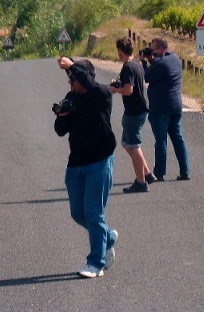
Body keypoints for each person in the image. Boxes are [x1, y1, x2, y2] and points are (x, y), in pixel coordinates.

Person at [54, 56, 118, 278]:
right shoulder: (71, 98)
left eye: (73, 78)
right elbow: (60, 130)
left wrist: (71, 66)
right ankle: (107, 237)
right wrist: (62, 115)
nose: (70, 83)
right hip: (76, 164)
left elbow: (87, 82)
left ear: (85, 77)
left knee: (93, 212)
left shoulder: (101, 94)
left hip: (99, 161)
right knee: (78, 213)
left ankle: (96, 263)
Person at [109, 37, 157, 193]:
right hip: (140, 109)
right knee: (126, 143)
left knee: (133, 146)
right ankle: (147, 174)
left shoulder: (128, 67)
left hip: (134, 111)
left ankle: (141, 182)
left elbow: (129, 90)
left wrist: (116, 89)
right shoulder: (137, 64)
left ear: (120, 51)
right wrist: (119, 85)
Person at [141, 37, 191, 181]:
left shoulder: (159, 63)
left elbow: (147, 76)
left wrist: (144, 62)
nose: (152, 52)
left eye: (154, 50)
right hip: (175, 106)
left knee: (161, 140)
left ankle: (159, 172)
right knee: (178, 138)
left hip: (160, 107)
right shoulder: (175, 59)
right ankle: (185, 171)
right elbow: (160, 71)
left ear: (162, 49)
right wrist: (152, 59)